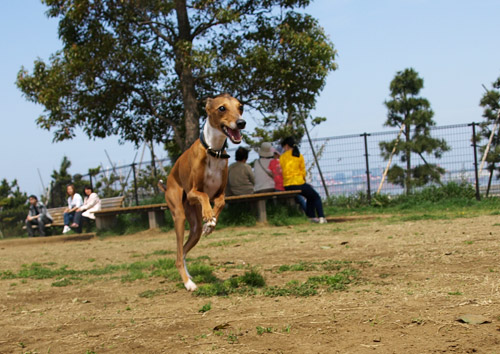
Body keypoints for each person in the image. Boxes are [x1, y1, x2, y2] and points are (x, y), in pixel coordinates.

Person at [280, 136, 327, 224]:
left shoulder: (282, 157)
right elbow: (303, 172)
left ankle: (311, 216)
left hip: (287, 185)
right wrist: (304, 182)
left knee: (310, 196)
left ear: (286, 146)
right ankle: (320, 216)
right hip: (298, 183)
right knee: (315, 196)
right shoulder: (299, 156)